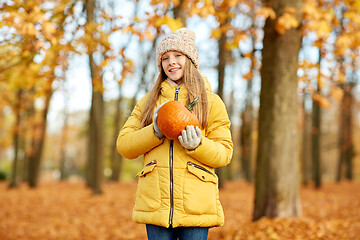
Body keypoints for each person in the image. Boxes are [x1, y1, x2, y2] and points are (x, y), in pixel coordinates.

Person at [117, 27, 233, 240]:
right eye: (165, 58)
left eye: (178, 55)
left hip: (196, 205)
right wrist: (154, 132)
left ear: (190, 60)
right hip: (155, 205)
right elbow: (124, 145)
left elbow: (224, 153)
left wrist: (198, 145)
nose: (171, 62)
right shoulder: (147, 103)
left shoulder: (211, 102)